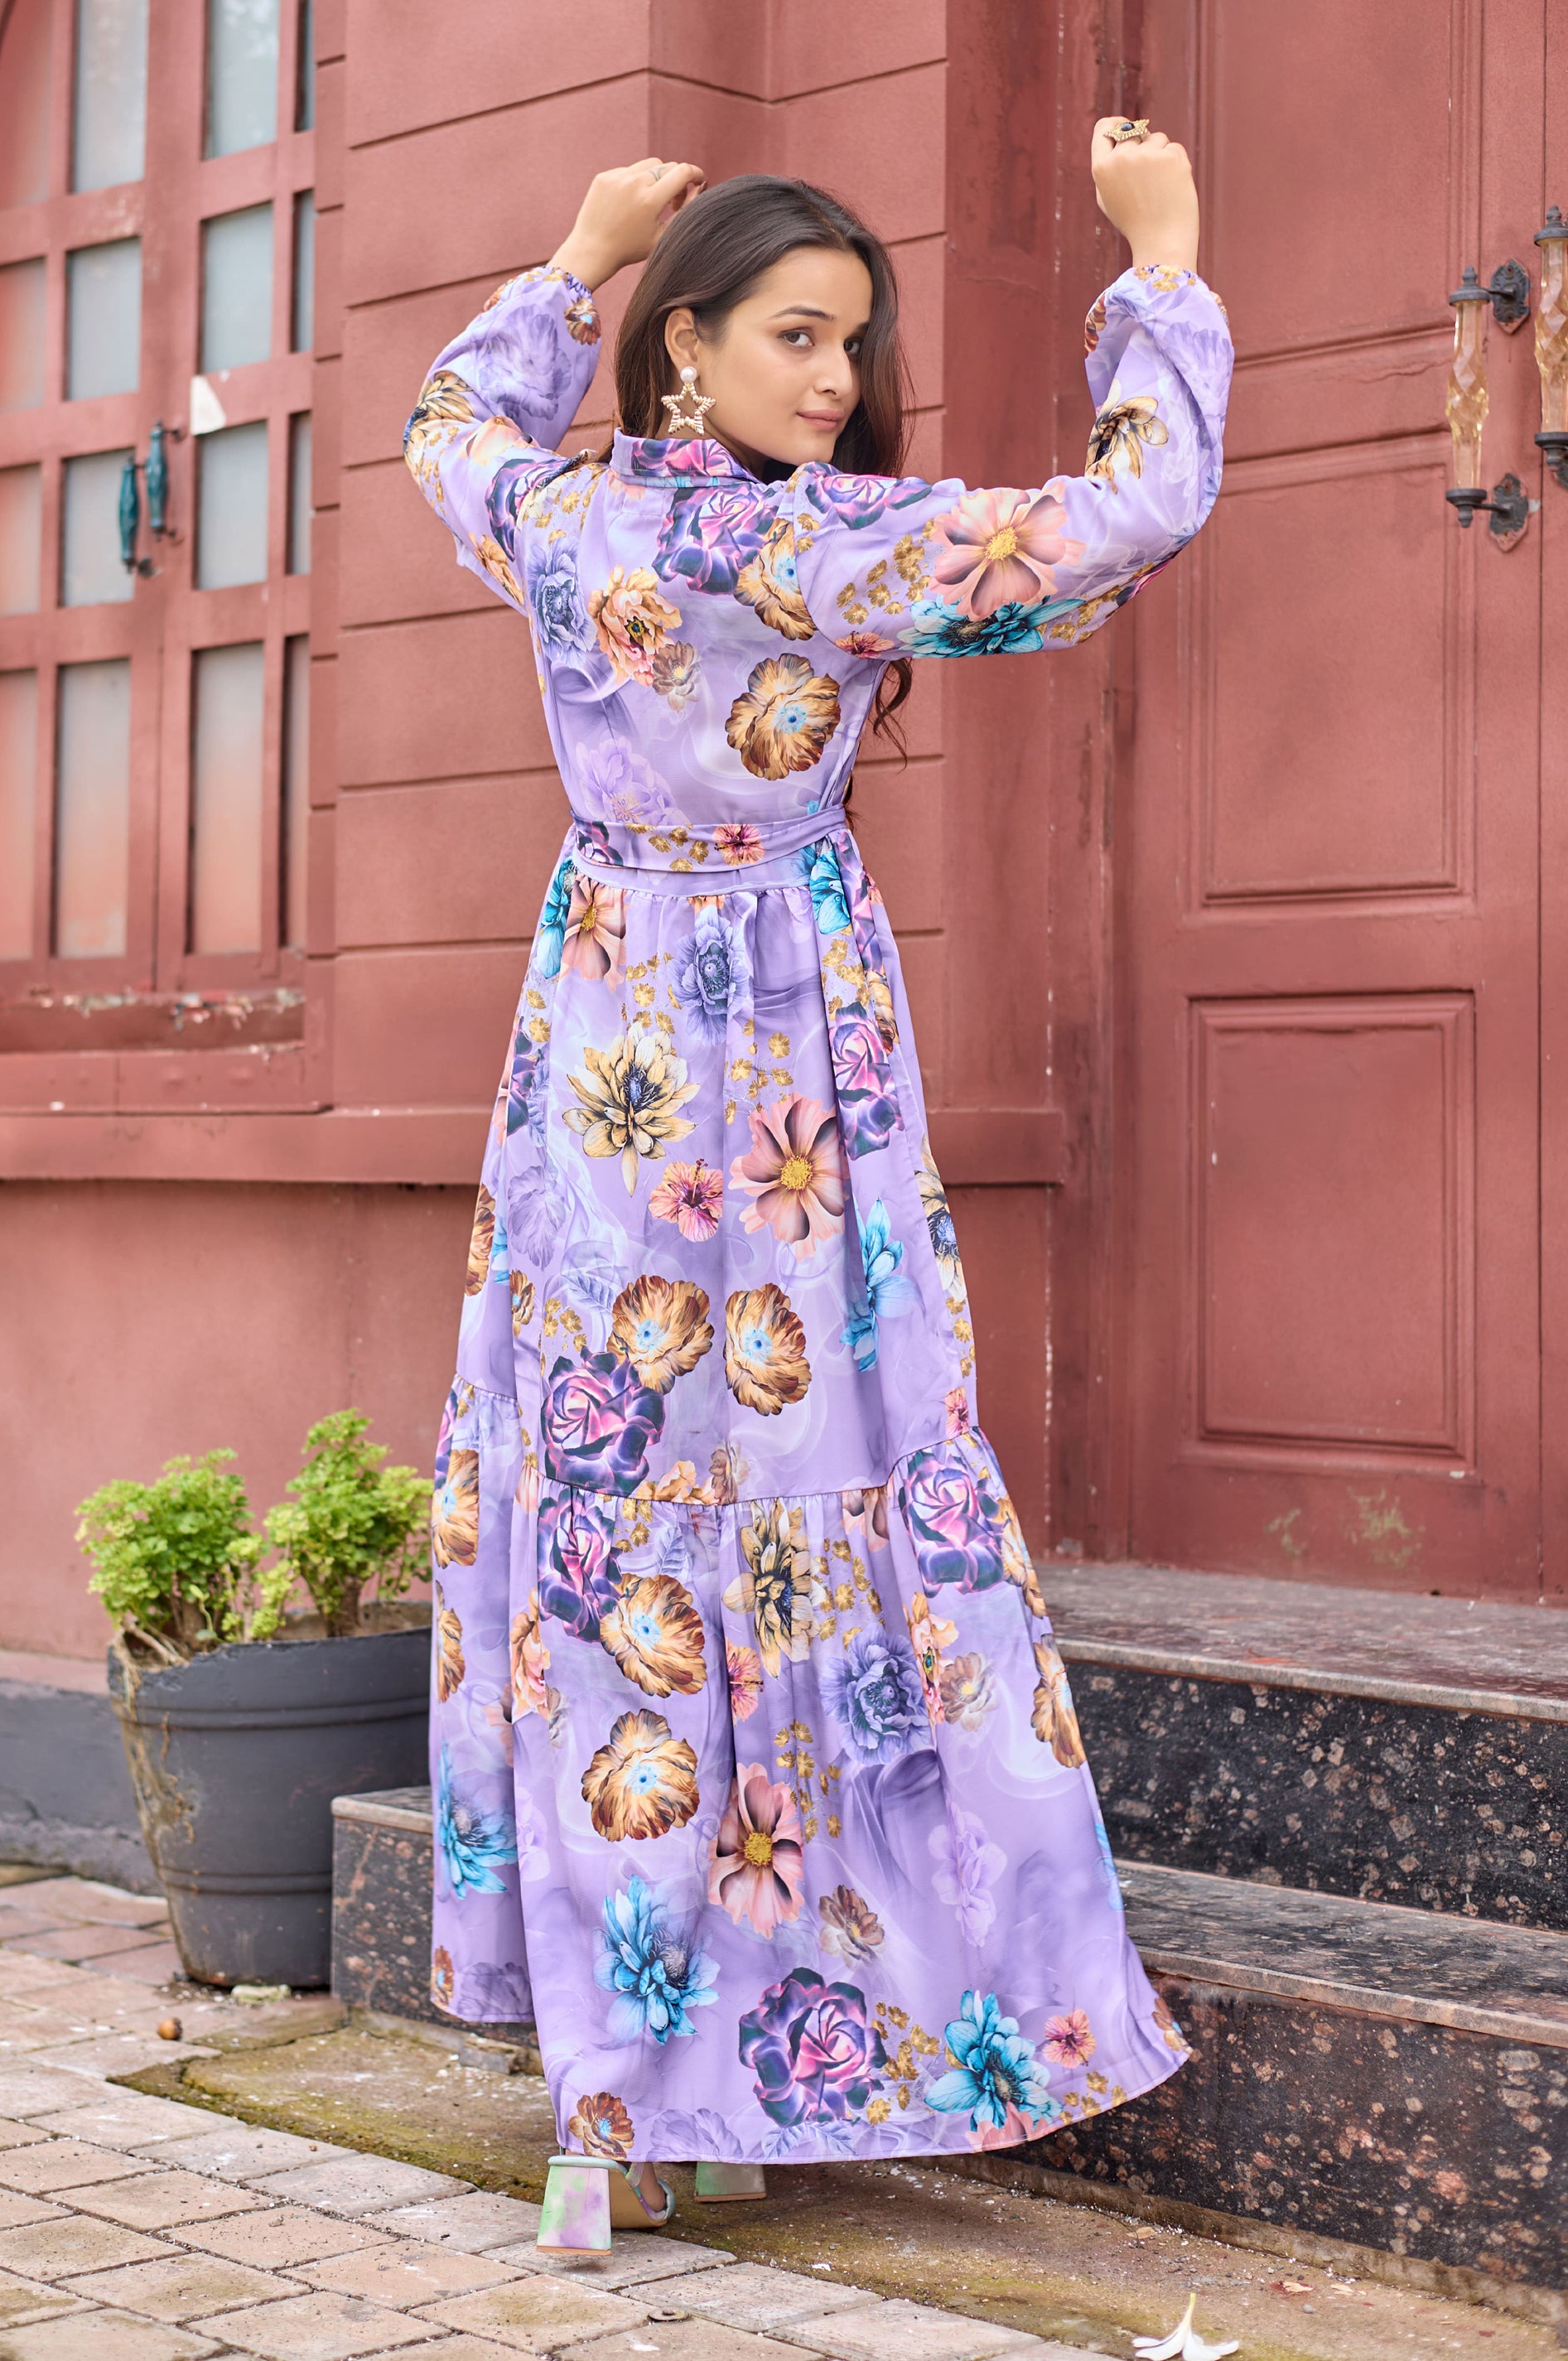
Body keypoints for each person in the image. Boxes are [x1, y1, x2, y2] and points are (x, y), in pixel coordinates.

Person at [405, 120, 1233, 2247]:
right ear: (688, 343)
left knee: (613, 1501)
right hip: (782, 1069)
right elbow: (1131, 509)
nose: (836, 378)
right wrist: (1159, 264)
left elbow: (445, 431)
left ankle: (619, 2088)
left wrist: (569, 260)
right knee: (818, 1466)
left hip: (601, 1050)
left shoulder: (567, 521)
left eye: (851, 342)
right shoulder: (829, 549)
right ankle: (747, 2053)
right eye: (794, 334)